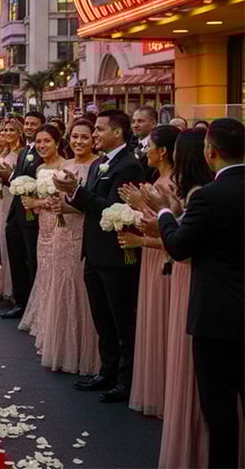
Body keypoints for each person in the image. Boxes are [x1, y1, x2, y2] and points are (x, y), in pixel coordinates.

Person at [142, 118, 244, 469]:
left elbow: (179, 247)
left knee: (219, 408)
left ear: (210, 151)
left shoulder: (209, 197)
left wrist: (165, 213)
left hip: (216, 317)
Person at [53, 109, 144, 405]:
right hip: (93, 251)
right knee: (102, 318)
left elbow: (113, 208)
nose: (94, 135)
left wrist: (77, 191)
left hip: (116, 254)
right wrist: (73, 191)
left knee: (121, 320)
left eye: (99, 130)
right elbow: (89, 203)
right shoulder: (99, 164)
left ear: (117, 133)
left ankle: (124, 379)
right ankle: (106, 371)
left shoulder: (128, 165)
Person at [155, 129, 213, 469]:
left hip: (196, 281)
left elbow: (181, 246)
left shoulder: (201, 195)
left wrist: (163, 214)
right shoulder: (200, 192)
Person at [118, 125, 179, 417]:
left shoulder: (168, 185)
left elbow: (171, 235)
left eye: (149, 146)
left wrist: (139, 237)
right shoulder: (159, 179)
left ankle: (165, 393)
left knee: (161, 324)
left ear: (163, 151)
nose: (145, 151)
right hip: (152, 260)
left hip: (162, 261)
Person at [38, 118, 100, 376]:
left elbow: (94, 203)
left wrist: (66, 207)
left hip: (84, 234)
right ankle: (63, 349)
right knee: (61, 283)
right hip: (61, 233)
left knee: (83, 288)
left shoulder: (97, 166)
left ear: (93, 139)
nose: (79, 142)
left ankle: (87, 355)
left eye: (84, 137)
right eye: (75, 137)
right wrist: (54, 205)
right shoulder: (65, 166)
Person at [0, 110, 45, 319]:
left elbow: (36, 181)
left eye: (34, 124)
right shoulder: (24, 152)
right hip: (16, 212)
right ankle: (20, 302)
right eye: (28, 123)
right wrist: (5, 178)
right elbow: (17, 182)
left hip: (32, 213)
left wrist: (12, 175)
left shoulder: (43, 151)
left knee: (31, 260)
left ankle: (32, 307)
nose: (30, 127)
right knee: (16, 258)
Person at [18, 124, 66, 342]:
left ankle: (57, 327)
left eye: (47, 141)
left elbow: (62, 200)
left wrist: (37, 201)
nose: (42, 146)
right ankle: (45, 322)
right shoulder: (38, 169)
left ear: (57, 142)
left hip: (60, 224)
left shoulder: (65, 166)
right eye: (38, 142)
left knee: (58, 272)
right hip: (43, 227)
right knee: (44, 270)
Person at [0, 120, 21, 301]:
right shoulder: (3, 153)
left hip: (11, 199)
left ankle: (12, 289)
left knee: (9, 241)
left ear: (19, 132)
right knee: (0, 238)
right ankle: (0, 286)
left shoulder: (20, 154)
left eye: (11, 130)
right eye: (4, 130)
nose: (7, 133)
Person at [131, 106, 159, 183]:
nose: (135, 125)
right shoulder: (130, 145)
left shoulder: (158, 147)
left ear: (153, 123)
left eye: (140, 121)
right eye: (133, 121)